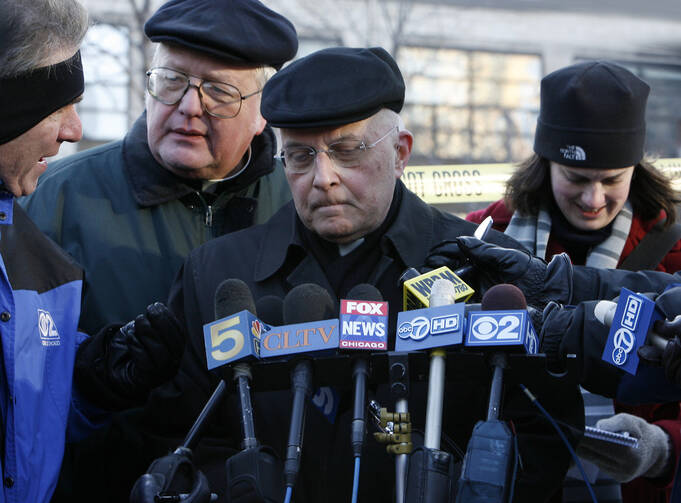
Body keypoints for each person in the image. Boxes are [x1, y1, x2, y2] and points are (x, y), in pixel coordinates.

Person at [109, 46, 586, 503]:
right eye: (300, 156)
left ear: (400, 152)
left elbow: (547, 429)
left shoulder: (488, 271)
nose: (324, 177)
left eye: (348, 150)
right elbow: (178, 430)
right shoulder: (216, 274)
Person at [466, 60, 681, 502]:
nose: (593, 198)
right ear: (544, 164)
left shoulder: (674, 251)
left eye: (612, 180)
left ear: (636, 170)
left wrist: (663, 445)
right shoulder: (487, 236)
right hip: (514, 480)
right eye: (577, 178)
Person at [20, 0, 298, 336]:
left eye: (218, 91)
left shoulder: (301, 203)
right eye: (171, 80)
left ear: (262, 111)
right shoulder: (54, 198)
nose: (189, 106)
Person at [0, 2, 184, 502]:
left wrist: (95, 377)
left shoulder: (38, 260)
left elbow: (27, 429)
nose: (74, 130)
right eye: (57, 105)